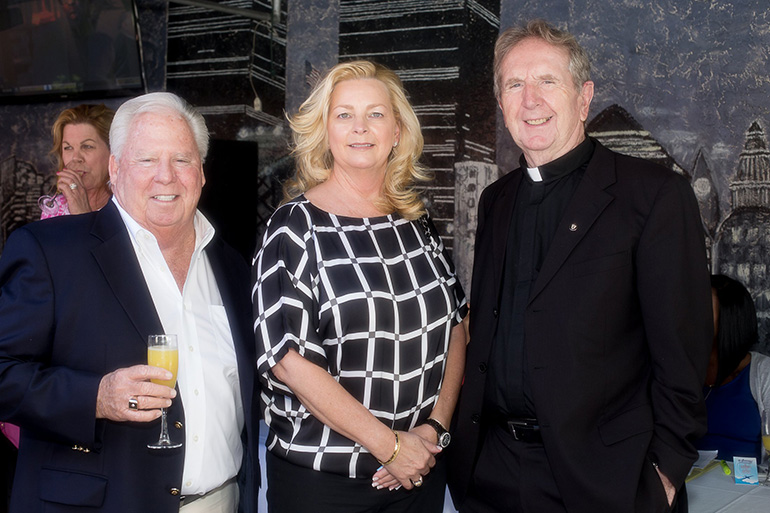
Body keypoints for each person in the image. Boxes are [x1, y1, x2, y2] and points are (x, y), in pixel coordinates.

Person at [447, 20, 712, 513]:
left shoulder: (652, 195)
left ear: (583, 96)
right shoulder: (495, 200)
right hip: (491, 474)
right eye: (515, 84)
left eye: (548, 81)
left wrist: (666, 473)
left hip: (603, 481)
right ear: (501, 103)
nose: (531, 100)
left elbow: (683, 352)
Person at [0, 92, 258, 513]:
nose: (166, 176)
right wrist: (95, 396)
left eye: (181, 159)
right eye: (146, 160)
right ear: (116, 168)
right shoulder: (50, 251)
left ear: (202, 171)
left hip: (220, 502)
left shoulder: (231, 265)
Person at [252, 60, 467, 513]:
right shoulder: (294, 227)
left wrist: (433, 430)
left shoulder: (417, 222)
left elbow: (457, 325)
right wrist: (390, 446)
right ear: (325, 131)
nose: (360, 128)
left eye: (375, 113)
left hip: (418, 476)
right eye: (344, 114)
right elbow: (288, 362)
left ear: (396, 131)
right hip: (325, 486)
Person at [696, 274, 770, 461]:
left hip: (747, 487)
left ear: (730, 321)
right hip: (689, 484)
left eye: (702, 309)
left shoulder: (763, 373)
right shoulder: (680, 370)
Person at [39, 103, 114, 218]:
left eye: (87, 146)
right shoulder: (56, 207)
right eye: (68, 148)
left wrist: (83, 215)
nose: (75, 157)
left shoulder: (127, 206)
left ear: (112, 151)